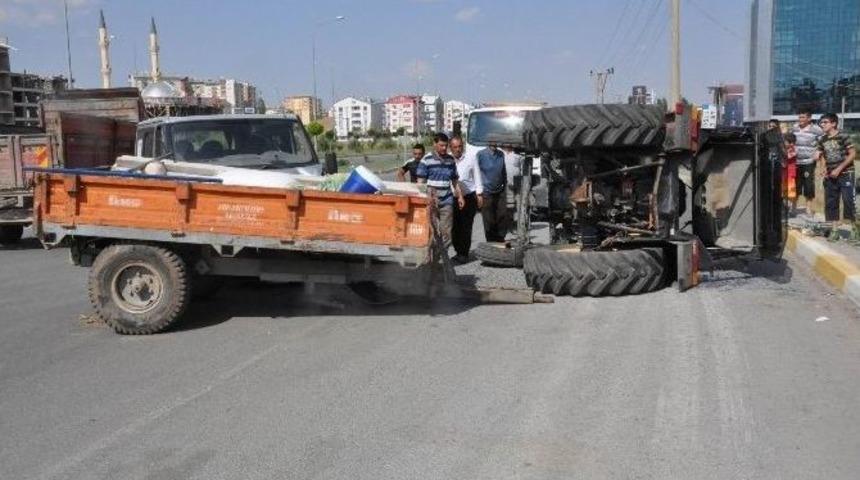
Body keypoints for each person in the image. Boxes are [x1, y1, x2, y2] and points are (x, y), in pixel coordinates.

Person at [416, 133, 465, 250]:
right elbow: (420, 183)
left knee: (447, 233)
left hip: (447, 200)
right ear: (434, 144)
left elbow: (454, 181)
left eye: (446, 146)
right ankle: (432, 256)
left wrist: (460, 197)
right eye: (441, 145)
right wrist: (421, 199)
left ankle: (440, 255)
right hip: (431, 201)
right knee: (431, 231)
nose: (444, 148)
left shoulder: (450, 160)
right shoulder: (426, 160)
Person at [815, 113, 856, 222]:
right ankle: (833, 229)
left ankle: (853, 229)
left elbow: (852, 154)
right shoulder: (822, 139)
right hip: (830, 175)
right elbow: (822, 154)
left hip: (846, 173)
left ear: (833, 123)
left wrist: (839, 169)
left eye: (825, 122)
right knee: (830, 203)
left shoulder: (843, 136)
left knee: (848, 201)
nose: (822, 124)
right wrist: (822, 167)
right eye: (821, 123)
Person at [450, 135, 482, 263]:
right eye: (455, 147)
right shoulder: (447, 159)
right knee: (454, 227)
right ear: (450, 148)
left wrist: (479, 194)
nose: (458, 149)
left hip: (469, 197)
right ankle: (458, 251)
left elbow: (477, 175)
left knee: (466, 226)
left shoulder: (470, 158)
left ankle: (463, 253)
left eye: (460, 146)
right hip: (452, 198)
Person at [792, 108, 824, 213]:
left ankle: (808, 207)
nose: (800, 119)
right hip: (795, 161)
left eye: (803, 117)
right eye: (799, 117)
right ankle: (793, 206)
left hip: (808, 162)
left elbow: (824, 141)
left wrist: (819, 151)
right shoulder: (794, 127)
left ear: (809, 118)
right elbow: (789, 140)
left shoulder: (816, 129)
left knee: (808, 185)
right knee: (795, 184)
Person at [477, 144, 509, 242]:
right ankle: (491, 241)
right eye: (492, 141)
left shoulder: (501, 154)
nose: (494, 144)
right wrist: (478, 191)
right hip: (486, 191)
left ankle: (500, 238)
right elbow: (476, 171)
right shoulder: (481, 155)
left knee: (502, 215)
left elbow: (503, 171)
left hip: (500, 190)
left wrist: (505, 185)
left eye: (496, 142)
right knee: (488, 219)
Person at [784, 132, 798, 211]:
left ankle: (793, 207)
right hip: (783, 173)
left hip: (790, 173)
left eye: (785, 142)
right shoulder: (784, 148)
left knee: (791, 191)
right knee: (784, 189)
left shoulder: (794, 149)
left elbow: (788, 156)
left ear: (791, 143)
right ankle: (785, 205)